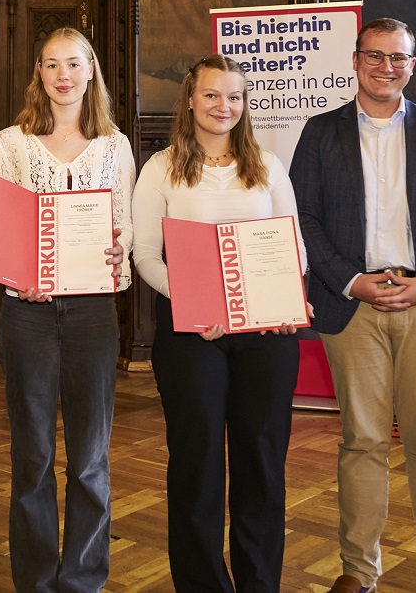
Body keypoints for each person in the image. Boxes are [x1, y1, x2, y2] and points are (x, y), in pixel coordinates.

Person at [291, 18, 416, 593]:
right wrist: (351, 280)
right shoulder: (320, 131)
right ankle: (359, 571)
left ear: (412, 62)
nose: (386, 68)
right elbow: (305, 219)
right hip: (353, 305)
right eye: (374, 57)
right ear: (355, 62)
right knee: (363, 441)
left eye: (398, 58)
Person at [132, 55, 309, 592]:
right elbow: (145, 256)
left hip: (266, 334)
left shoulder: (269, 167)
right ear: (190, 100)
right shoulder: (159, 168)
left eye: (233, 97)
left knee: (261, 461)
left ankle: (259, 584)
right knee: (197, 460)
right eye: (211, 95)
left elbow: (294, 247)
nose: (222, 106)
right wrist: (197, 301)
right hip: (191, 333)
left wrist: (284, 302)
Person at [0, 27, 134, 593]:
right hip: (27, 314)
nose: (63, 75)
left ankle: (83, 580)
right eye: (52, 65)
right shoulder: (10, 143)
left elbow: (124, 231)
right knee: (34, 455)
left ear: (91, 70)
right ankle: (37, 580)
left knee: (91, 457)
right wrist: (23, 274)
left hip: (94, 314)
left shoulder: (115, 146)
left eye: (74, 64)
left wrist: (116, 251)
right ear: (39, 74)